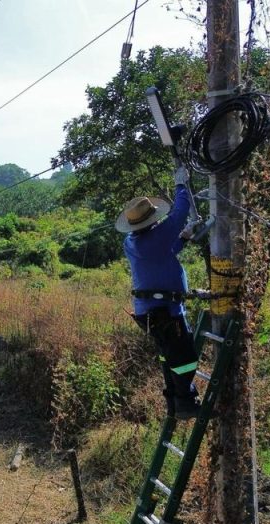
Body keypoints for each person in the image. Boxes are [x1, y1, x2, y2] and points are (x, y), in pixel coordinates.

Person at [115, 164, 200, 420]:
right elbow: (180, 211)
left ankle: (175, 402)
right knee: (184, 356)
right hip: (165, 310)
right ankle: (185, 401)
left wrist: (183, 239)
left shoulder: (132, 242)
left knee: (169, 355)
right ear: (150, 219)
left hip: (151, 311)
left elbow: (164, 253)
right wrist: (181, 184)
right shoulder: (155, 237)